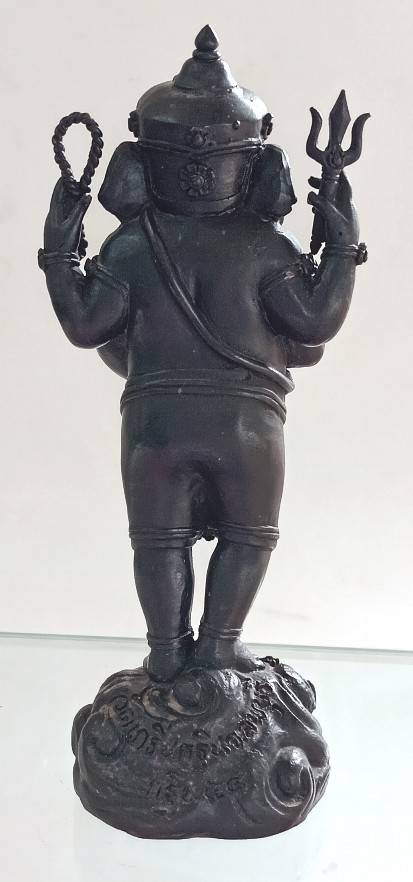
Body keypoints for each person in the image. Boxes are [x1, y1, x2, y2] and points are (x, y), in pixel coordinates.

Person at [39, 26, 365, 681]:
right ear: (254, 162)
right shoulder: (266, 246)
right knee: (248, 535)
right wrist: (340, 245)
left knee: (157, 542)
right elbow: (315, 321)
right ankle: (218, 645)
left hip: (153, 425)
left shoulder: (129, 247)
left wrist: (60, 249)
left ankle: (165, 653)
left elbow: (85, 324)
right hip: (247, 427)